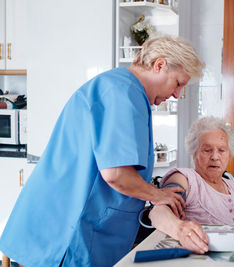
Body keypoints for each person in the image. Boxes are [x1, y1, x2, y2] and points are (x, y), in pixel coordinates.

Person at [0, 35, 204, 266]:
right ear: (159, 65)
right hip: (67, 232)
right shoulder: (123, 93)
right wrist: (158, 195)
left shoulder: (119, 86)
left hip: (61, 223)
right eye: (178, 83)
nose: (177, 94)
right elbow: (116, 174)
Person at [149, 117, 234, 254]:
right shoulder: (185, 178)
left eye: (222, 150)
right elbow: (158, 211)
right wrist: (179, 230)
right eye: (207, 150)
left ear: (230, 154)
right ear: (194, 153)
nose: (215, 157)